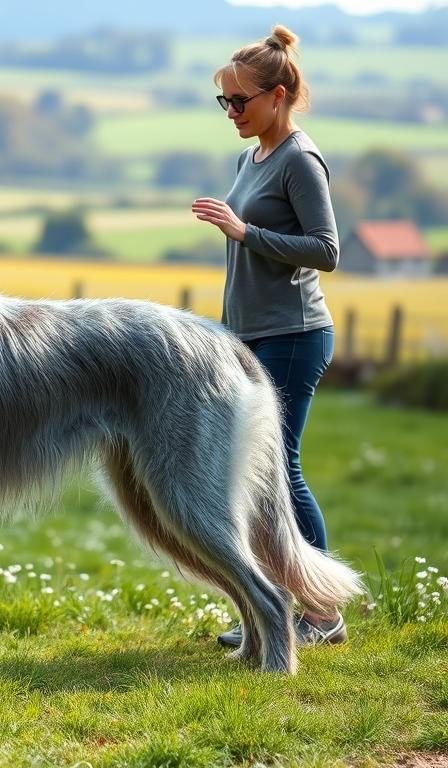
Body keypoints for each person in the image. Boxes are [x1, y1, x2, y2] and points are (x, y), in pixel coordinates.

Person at [191, 24, 347, 648]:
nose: (231, 112)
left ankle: (321, 613)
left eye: (240, 101)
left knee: (280, 471)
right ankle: (271, 605)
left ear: (278, 95)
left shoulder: (300, 160)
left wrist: (245, 232)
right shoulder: (249, 155)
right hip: (249, 334)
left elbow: (326, 250)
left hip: (294, 334)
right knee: (252, 473)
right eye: (224, 101)